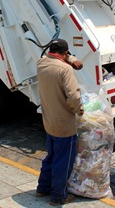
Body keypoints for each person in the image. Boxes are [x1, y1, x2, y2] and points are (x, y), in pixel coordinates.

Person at [36, 38, 84, 205]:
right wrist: (80, 110)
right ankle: (58, 196)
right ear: (64, 53)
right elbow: (73, 97)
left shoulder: (41, 63)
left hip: (49, 120)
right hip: (64, 123)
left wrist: (70, 58)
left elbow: (57, 57)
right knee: (63, 161)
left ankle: (42, 188)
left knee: (51, 156)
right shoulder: (64, 70)